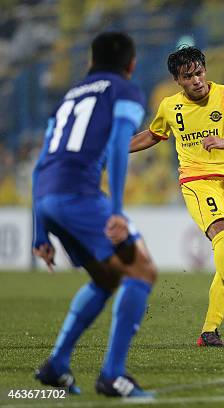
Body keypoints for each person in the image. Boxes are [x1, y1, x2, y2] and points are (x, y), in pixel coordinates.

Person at [32, 32, 156, 397]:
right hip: (80, 194)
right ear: (131, 65)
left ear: (90, 61)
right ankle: (113, 376)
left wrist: (40, 233)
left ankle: (57, 366)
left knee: (106, 279)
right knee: (141, 270)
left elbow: (40, 165)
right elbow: (119, 144)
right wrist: (116, 210)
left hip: (47, 197)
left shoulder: (68, 97)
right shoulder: (125, 91)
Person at [129, 46, 224, 347]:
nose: (196, 80)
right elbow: (154, 134)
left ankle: (209, 330)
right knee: (221, 235)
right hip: (196, 180)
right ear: (177, 80)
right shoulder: (169, 106)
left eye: (199, 72)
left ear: (205, 69)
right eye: (188, 76)